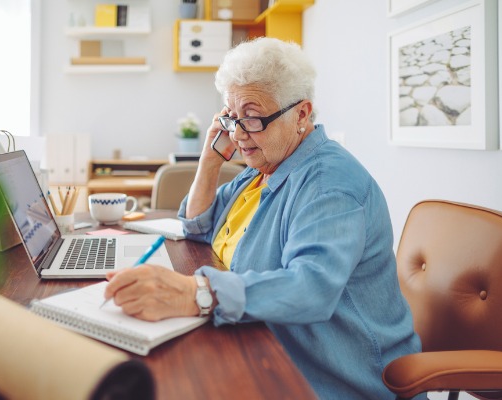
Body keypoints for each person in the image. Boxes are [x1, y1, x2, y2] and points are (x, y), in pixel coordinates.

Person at [104, 37, 422, 399]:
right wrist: (209, 161)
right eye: (231, 118)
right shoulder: (264, 168)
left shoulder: (328, 185)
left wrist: (200, 294)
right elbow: (197, 224)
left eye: (252, 118)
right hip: (262, 344)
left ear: (301, 114)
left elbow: (311, 288)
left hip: (328, 377)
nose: (238, 134)